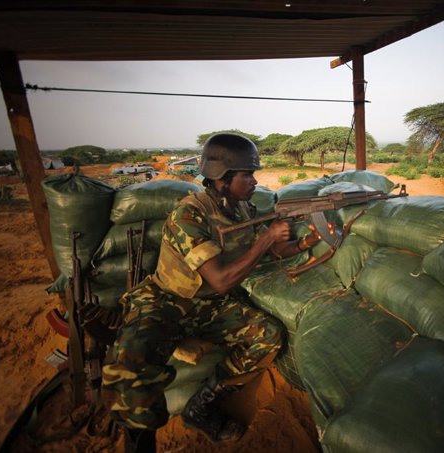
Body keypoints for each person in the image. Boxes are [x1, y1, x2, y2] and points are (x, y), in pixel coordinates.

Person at [101, 133, 322, 453]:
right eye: (248, 174)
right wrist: (265, 239)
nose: (254, 181)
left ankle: (201, 405)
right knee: (131, 357)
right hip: (166, 300)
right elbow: (220, 278)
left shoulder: (243, 209)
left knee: (268, 335)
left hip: (210, 304)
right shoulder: (188, 214)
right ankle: (139, 440)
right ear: (223, 177)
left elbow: (273, 249)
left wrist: (303, 243)